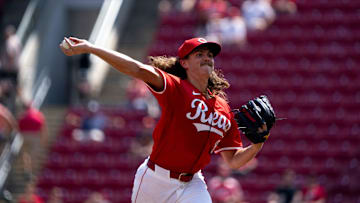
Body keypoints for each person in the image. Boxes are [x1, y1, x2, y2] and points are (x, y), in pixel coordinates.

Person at [60, 36, 270, 203]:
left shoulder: (224, 109)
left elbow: (233, 161)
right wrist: (92, 48)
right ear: (184, 63)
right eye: (199, 54)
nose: (207, 57)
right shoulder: (176, 87)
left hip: (192, 183)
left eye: (209, 55)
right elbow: (136, 68)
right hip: (155, 180)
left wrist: (257, 144)